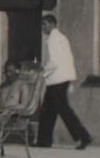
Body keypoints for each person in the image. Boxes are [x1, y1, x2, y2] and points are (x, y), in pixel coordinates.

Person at [38, 13, 93, 149]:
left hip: (56, 79)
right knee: (48, 110)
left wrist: (42, 73)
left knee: (63, 110)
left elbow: (54, 62)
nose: (42, 28)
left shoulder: (52, 39)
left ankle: (83, 137)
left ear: (51, 24)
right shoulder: (62, 38)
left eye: (44, 24)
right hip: (62, 78)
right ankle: (43, 141)